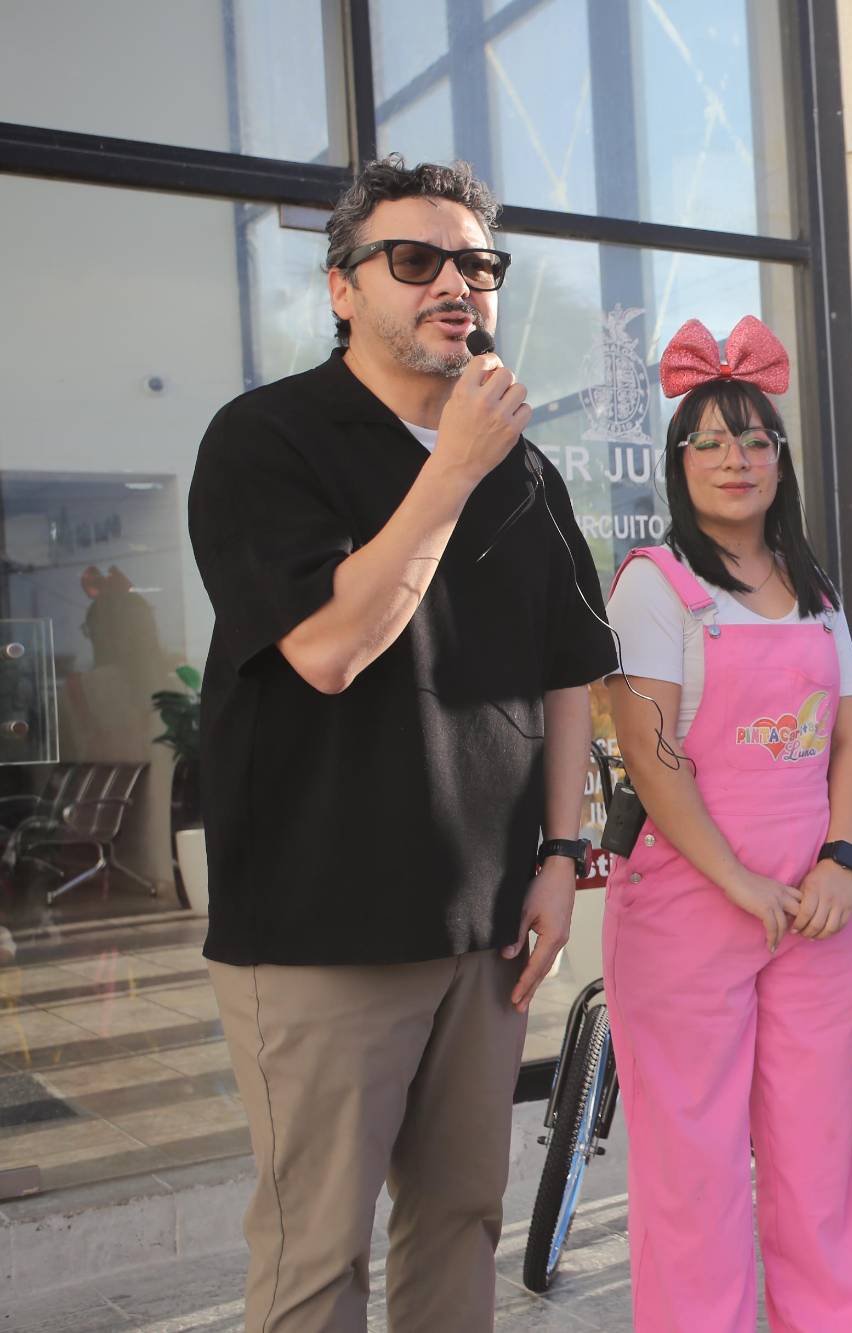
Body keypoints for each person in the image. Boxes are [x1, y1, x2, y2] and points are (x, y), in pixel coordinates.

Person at [187, 156, 613, 1331]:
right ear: (341, 288)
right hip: (322, 928)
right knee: (318, 1256)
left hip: (484, 927)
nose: (453, 286)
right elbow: (329, 649)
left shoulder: (521, 465)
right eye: (413, 260)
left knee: (461, 1220)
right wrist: (451, 470)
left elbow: (568, 668)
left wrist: (562, 854)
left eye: (475, 264)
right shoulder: (267, 438)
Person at [600, 315, 852, 1332]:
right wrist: (740, 884)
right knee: (695, 1163)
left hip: (813, 910)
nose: (736, 458)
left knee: (823, 1141)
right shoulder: (656, 586)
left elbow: (851, 741)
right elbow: (651, 754)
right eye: (711, 441)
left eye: (755, 439)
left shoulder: (814, 589)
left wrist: (838, 860)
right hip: (692, 909)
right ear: (679, 463)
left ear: (779, 459)